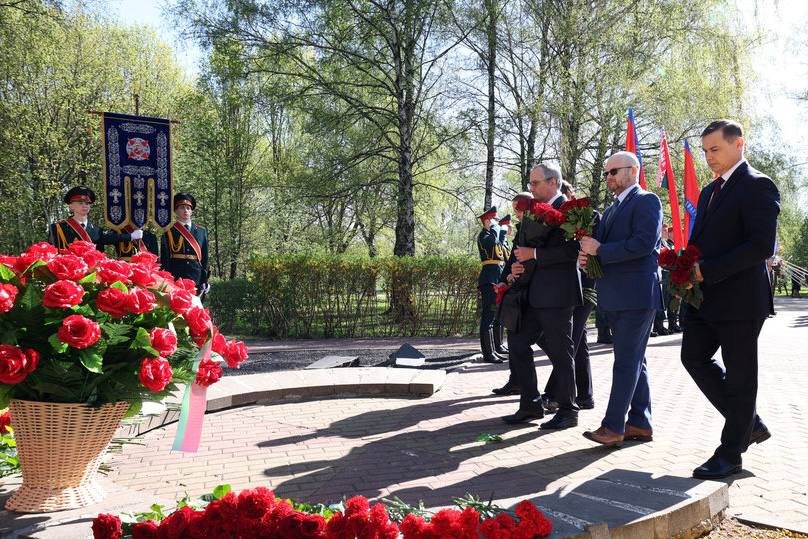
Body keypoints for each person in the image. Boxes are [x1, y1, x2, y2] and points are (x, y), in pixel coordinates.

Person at [680, 120, 779, 479]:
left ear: (739, 145)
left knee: (740, 377)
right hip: (705, 298)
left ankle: (731, 452)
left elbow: (760, 246)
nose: (708, 157)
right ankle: (748, 422)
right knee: (692, 356)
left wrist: (709, 270)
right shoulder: (709, 192)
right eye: (705, 151)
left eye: (715, 149)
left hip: (741, 299)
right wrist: (686, 266)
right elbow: (704, 240)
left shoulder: (758, 185)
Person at [579, 150, 663, 446]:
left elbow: (643, 244)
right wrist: (587, 258)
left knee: (625, 362)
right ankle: (640, 423)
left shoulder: (647, 201)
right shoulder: (612, 208)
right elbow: (602, 248)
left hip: (636, 295)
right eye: (605, 173)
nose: (608, 178)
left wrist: (599, 250)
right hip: (615, 295)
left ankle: (613, 426)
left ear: (632, 171)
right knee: (634, 361)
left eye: (612, 172)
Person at [505, 163, 582, 430]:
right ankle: (530, 405)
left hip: (558, 293)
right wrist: (517, 266)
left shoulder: (569, 210)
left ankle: (568, 410)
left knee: (562, 353)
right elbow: (521, 247)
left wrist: (534, 255)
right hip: (532, 292)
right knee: (516, 342)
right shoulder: (532, 211)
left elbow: (572, 252)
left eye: (535, 183)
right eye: (530, 183)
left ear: (553, 182)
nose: (531, 188)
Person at [492, 193, 533, 396]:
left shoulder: (536, 226)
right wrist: (504, 278)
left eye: (517, 208)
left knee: (551, 346)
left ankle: (554, 393)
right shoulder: (521, 228)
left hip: (533, 291)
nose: (516, 212)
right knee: (515, 337)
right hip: (517, 290)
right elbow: (511, 259)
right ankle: (516, 381)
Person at [48, 186, 143, 251]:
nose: (84, 206)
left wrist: (131, 236)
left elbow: (108, 239)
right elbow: (53, 250)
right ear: (71, 206)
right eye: (80, 203)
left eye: (87, 203)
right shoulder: (58, 227)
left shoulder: (96, 230)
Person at [160, 193, 210, 293]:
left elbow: (205, 257)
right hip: (175, 275)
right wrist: (165, 278)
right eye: (182, 207)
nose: (186, 211)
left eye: (188, 208)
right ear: (176, 210)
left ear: (191, 211)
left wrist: (205, 279)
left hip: (196, 276)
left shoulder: (201, 231)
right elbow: (165, 257)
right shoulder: (168, 230)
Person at [476, 206, 505, 363]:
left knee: (493, 316)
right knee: (488, 317)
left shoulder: (491, 233)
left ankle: (493, 349)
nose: (496, 223)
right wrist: (495, 228)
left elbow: (500, 251)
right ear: (487, 221)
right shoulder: (484, 235)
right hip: (489, 281)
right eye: (494, 220)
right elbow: (492, 243)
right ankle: (488, 353)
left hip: (495, 279)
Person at [494, 214, 513, 356]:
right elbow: (498, 253)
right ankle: (497, 345)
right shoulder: (500, 238)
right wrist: (500, 230)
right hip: (497, 277)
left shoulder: (505, 240)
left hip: (505, 277)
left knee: (501, 314)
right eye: (509, 226)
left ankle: (499, 344)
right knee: (496, 314)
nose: (510, 229)